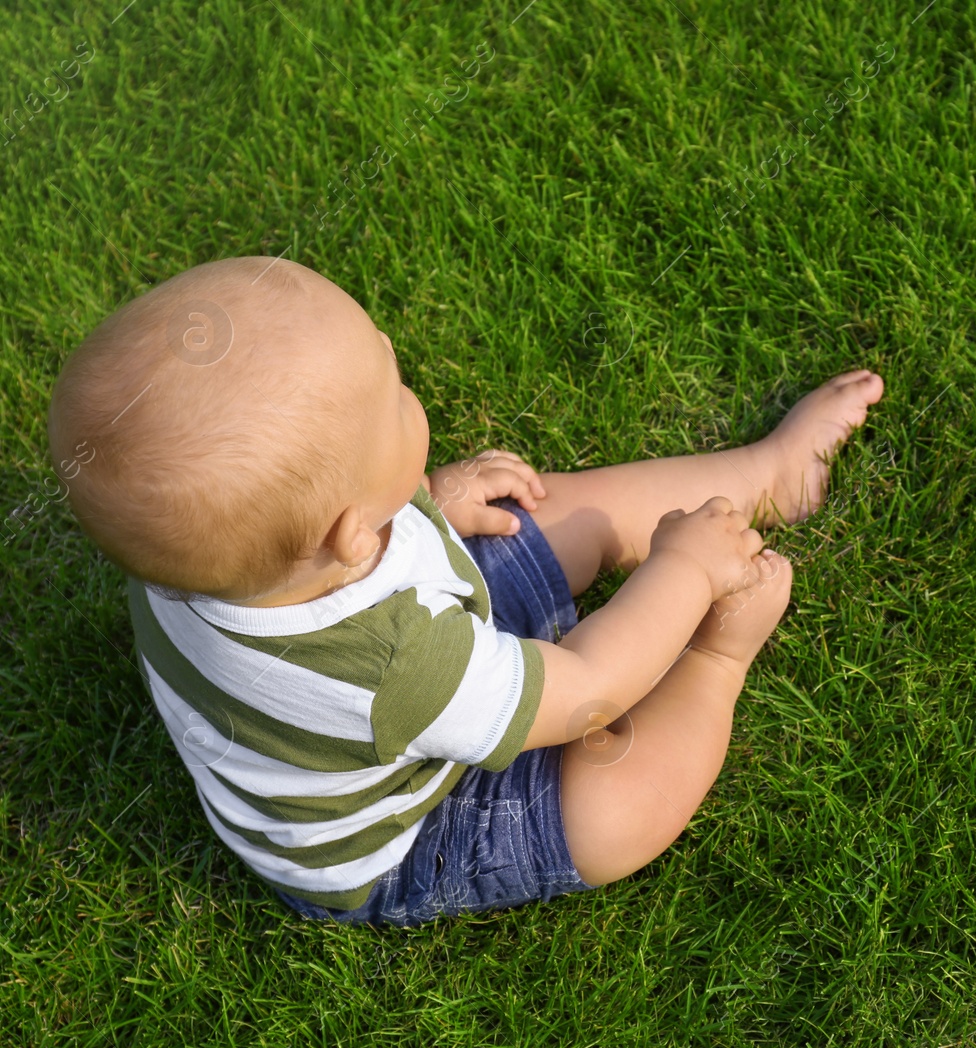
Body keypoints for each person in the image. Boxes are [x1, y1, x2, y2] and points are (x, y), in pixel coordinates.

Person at [45, 256, 884, 925]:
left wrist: (427, 501)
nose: (411, 393)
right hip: (404, 831)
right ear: (353, 534)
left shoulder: (190, 557)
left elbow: (325, 534)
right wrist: (689, 575)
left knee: (541, 517)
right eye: (395, 396)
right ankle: (717, 659)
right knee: (614, 804)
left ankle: (768, 473)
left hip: (381, 682)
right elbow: (587, 691)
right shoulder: (394, 660)